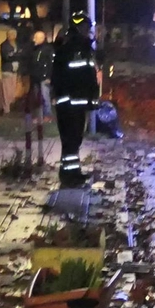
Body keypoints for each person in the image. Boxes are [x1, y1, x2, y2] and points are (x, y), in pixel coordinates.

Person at [50, 11, 100, 188]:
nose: (89, 31)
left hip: (67, 102)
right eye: (87, 27)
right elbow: (86, 76)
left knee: (71, 140)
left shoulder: (65, 48)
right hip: (74, 103)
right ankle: (69, 176)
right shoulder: (79, 49)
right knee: (72, 139)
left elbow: (58, 76)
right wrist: (93, 97)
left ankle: (71, 173)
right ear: (81, 27)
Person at [26, 29, 53, 122]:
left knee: (45, 97)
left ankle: (47, 115)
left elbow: (50, 63)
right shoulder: (34, 49)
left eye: (36, 38)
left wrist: (48, 76)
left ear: (42, 38)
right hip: (35, 77)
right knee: (37, 98)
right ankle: (39, 116)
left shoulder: (47, 49)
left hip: (44, 77)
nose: (34, 39)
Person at [0, 27, 22, 114]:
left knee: (12, 90)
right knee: (6, 90)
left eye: (13, 35)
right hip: (7, 70)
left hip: (15, 70)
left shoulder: (17, 44)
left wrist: (15, 55)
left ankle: (10, 106)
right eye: (10, 35)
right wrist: (17, 55)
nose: (12, 36)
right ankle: (6, 109)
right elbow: (6, 57)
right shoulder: (4, 45)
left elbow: (21, 54)